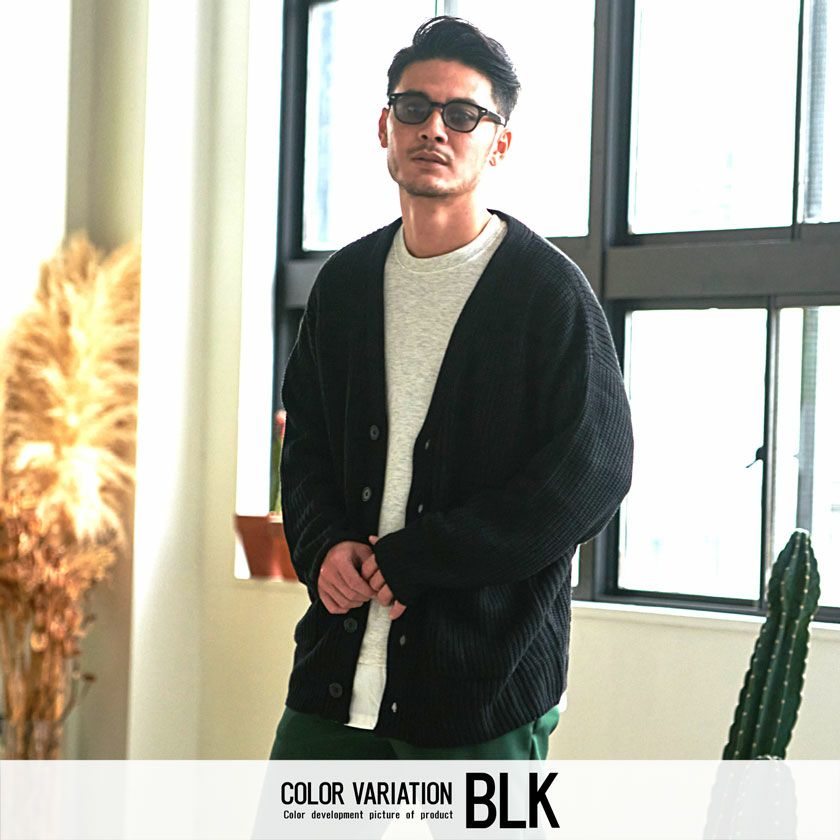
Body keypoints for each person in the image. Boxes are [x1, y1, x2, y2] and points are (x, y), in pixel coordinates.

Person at [269, 16, 633, 760]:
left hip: (484, 691)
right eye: (414, 107)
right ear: (384, 127)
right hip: (335, 679)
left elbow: (590, 476)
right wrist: (323, 546)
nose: (434, 128)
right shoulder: (344, 285)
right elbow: (305, 445)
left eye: (463, 114)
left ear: (499, 143)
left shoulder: (547, 293)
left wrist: (421, 557)